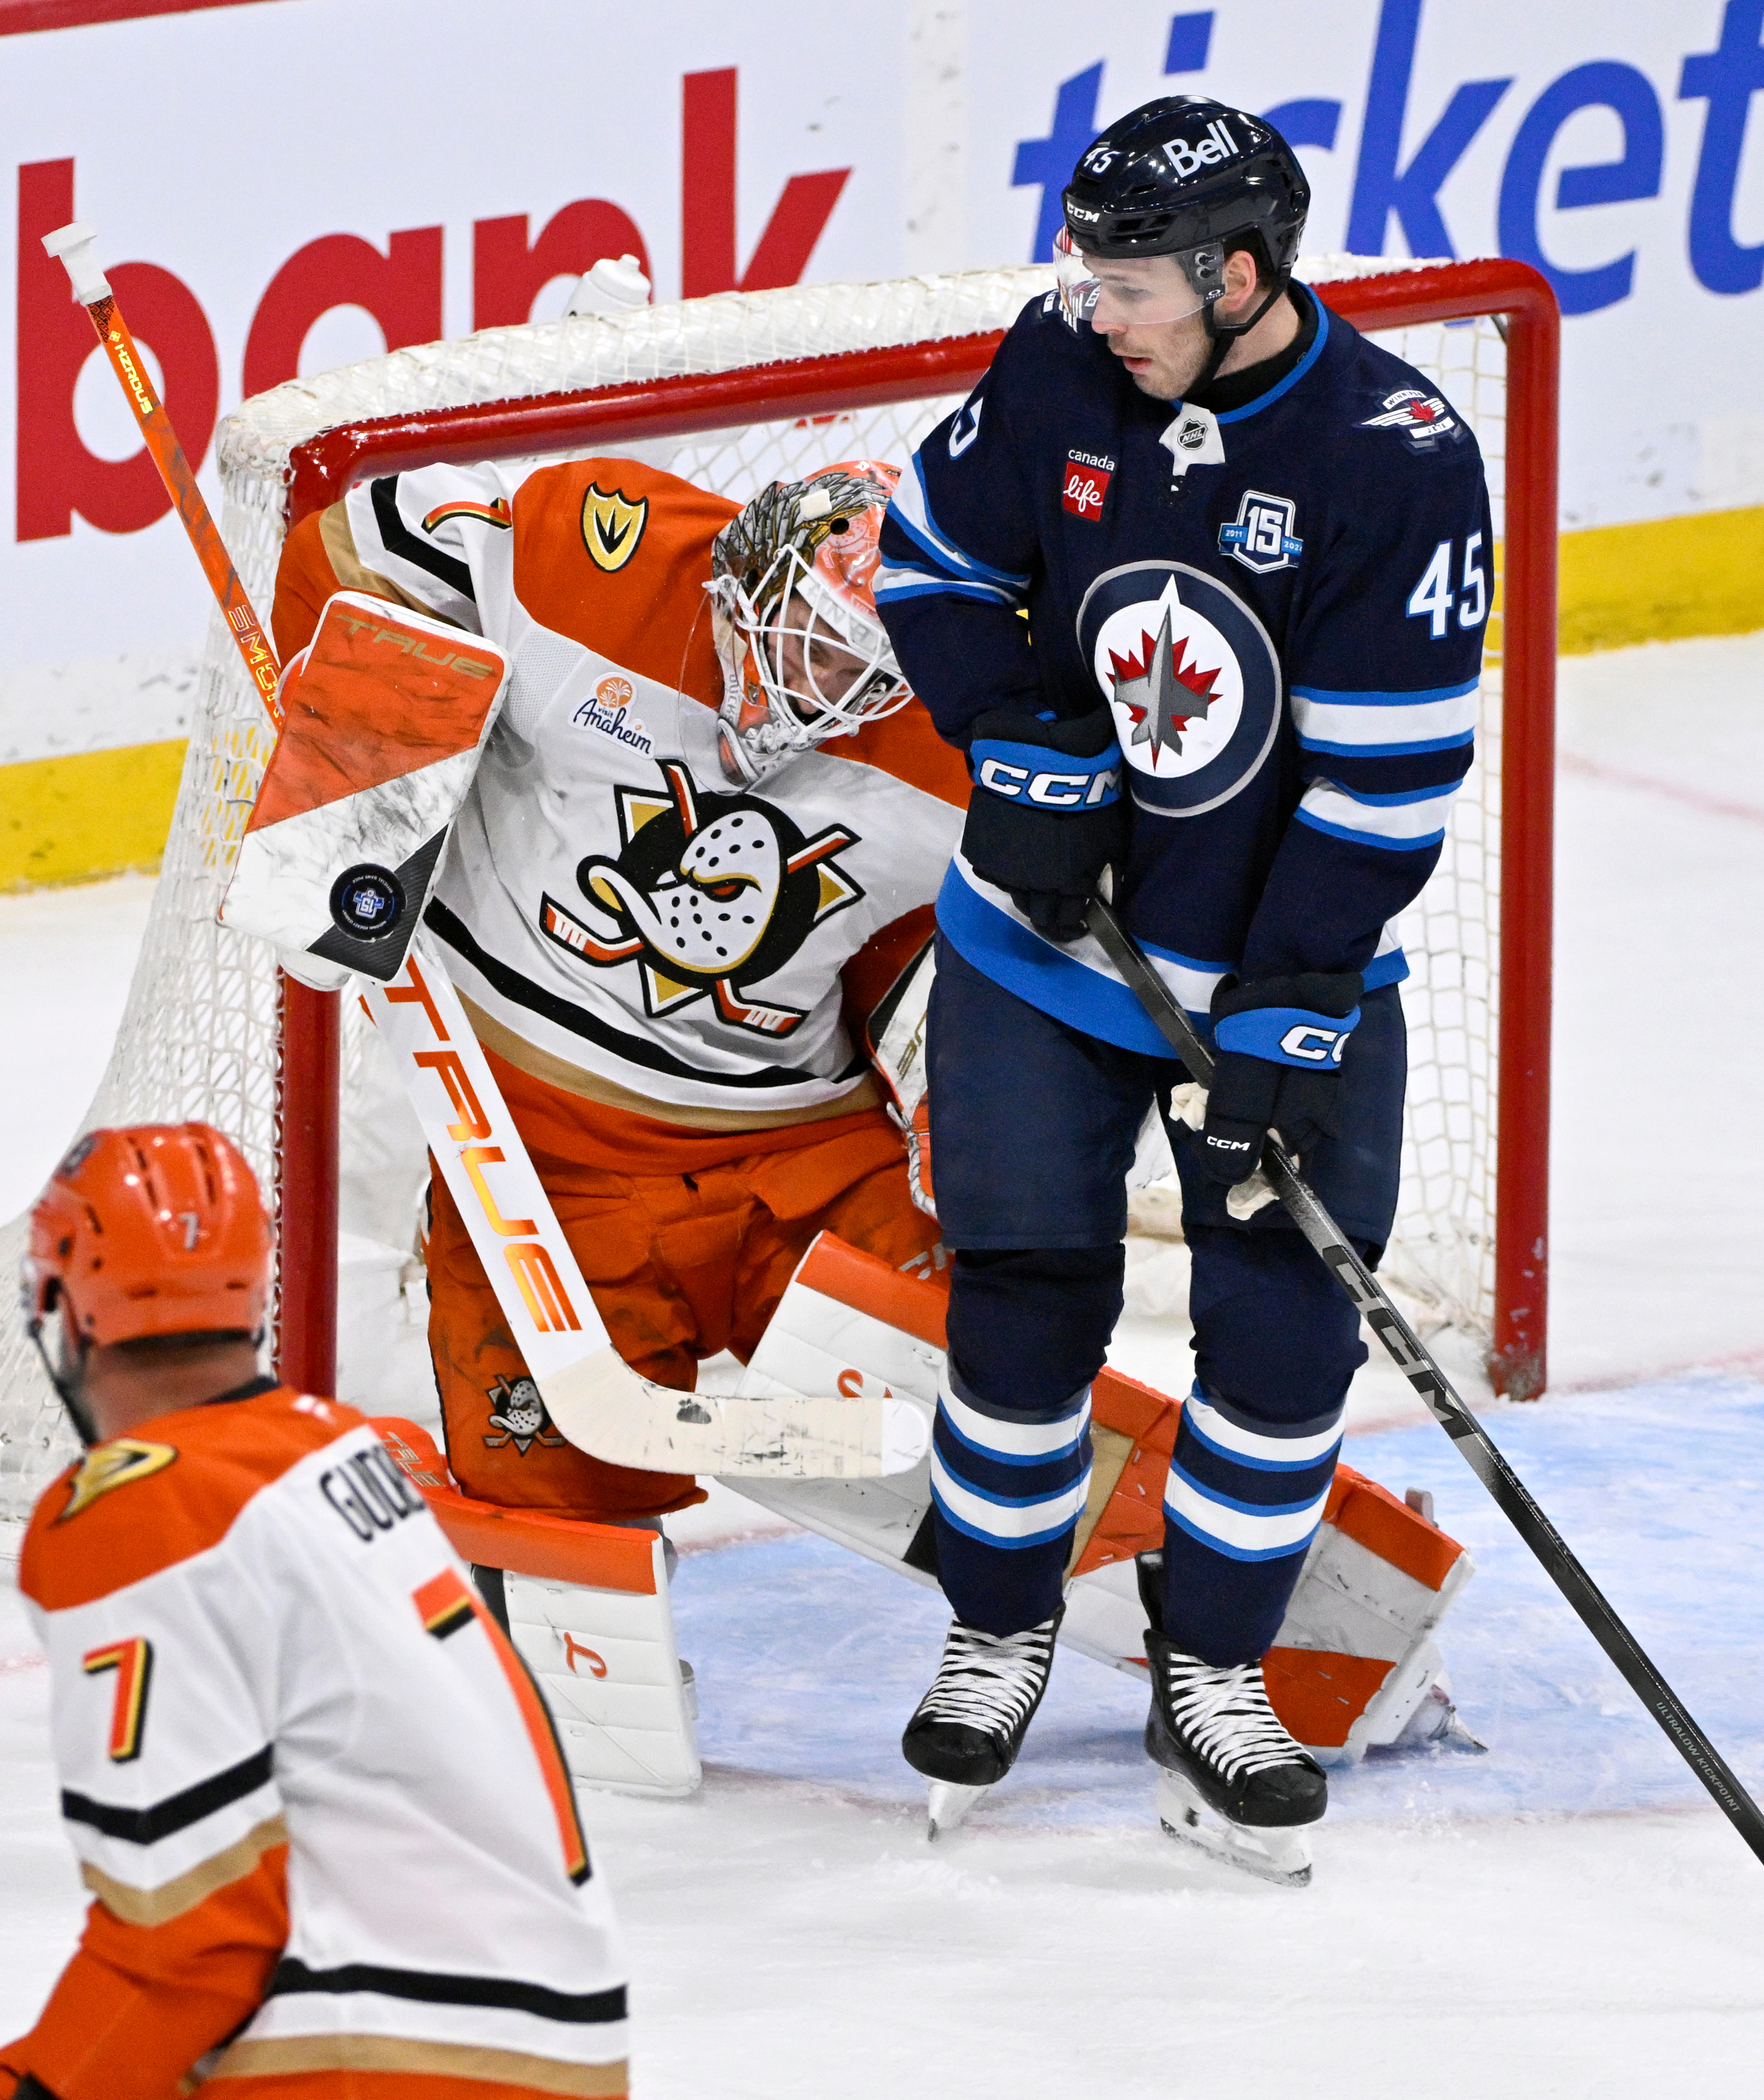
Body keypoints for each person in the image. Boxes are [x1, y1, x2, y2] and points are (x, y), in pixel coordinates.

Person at [875, 95, 1492, 1877]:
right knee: (1020, 1302)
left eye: (1135, 278)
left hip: (1280, 980)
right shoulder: (1066, 366)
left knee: (1285, 1344)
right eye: (1091, 272)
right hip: (1040, 955)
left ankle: (1215, 1670)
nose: (1101, 306)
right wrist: (1020, 748)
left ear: (1239, 274)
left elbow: (1386, 777)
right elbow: (932, 563)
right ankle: (998, 1624)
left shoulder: (1397, 453)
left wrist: (1293, 1004)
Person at [271, 455, 966, 1526]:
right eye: (807, 635)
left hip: (802, 1149)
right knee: (552, 1491)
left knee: (1000, 1366)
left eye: (856, 670)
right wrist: (362, 769)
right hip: (548, 1159)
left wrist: (973, 1088)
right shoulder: (601, 555)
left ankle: (1154, 1582)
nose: (812, 686)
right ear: (750, 563)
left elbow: (996, 939)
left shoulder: (962, 737)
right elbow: (357, 542)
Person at [3, 1122, 629, 2099]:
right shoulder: (339, 1447)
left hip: (381, 2056)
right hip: (550, 2049)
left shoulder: (142, 1507)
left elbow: (187, 1939)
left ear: (62, 1312)